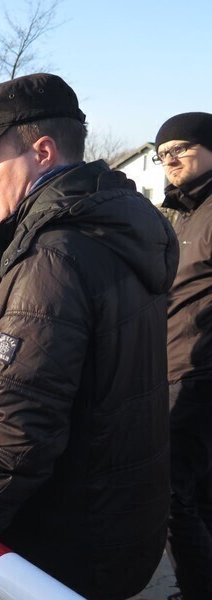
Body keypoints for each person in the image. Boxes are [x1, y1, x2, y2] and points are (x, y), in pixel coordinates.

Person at [0, 72, 179, 599]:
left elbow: (16, 430)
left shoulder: (53, 257)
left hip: (58, 543)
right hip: (116, 527)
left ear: (42, 151)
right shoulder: (117, 227)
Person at [154, 112, 212, 600]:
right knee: (201, 491)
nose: (170, 158)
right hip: (178, 365)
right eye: (162, 152)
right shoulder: (186, 211)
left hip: (199, 373)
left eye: (181, 147)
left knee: (169, 493)